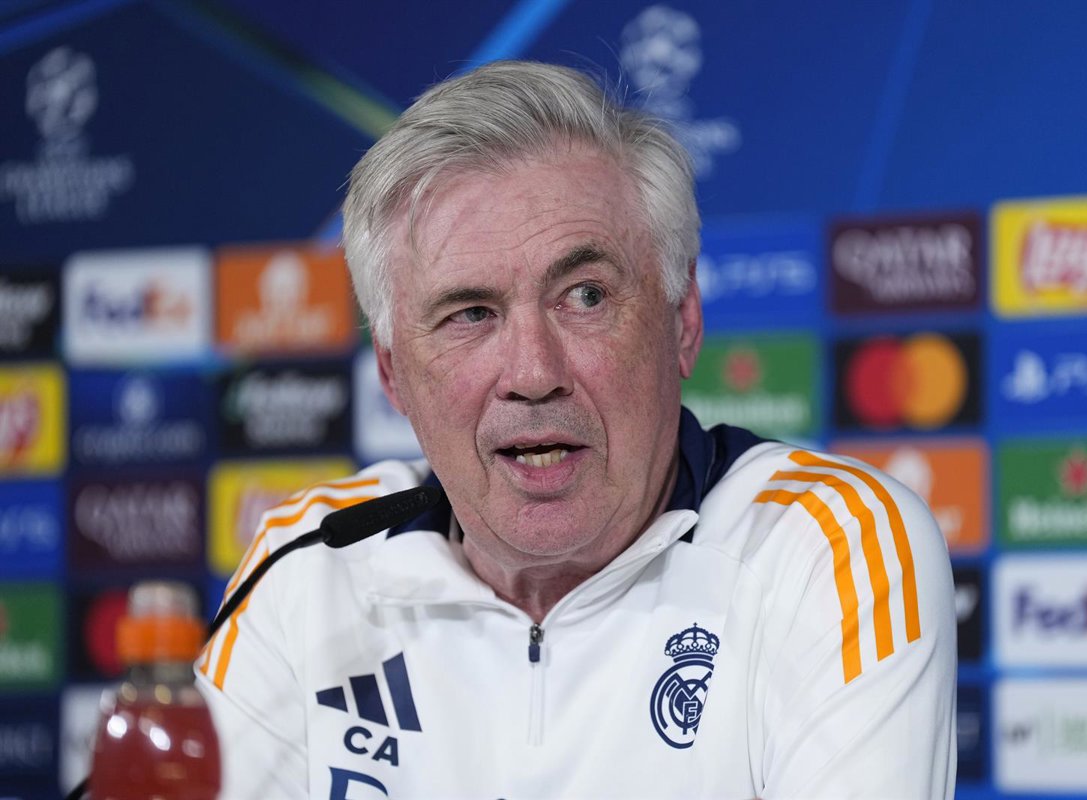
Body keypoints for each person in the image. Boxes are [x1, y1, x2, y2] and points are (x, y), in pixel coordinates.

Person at [195, 60, 957, 799]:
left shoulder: (828, 547)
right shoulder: (308, 565)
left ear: (682, 319)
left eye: (585, 296)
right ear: (393, 375)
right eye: (470, 314)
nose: (533, 372)